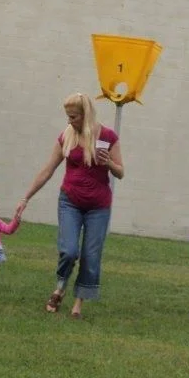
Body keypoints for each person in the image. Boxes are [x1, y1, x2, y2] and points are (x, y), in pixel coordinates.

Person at [16, 93, 124, 319]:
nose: (69, 121)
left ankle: (78, 303)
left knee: (90, 256)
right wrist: (26, 198)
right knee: (69, 250)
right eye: (68, 116)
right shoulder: (67, 136)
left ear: (86, 115)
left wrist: (108, 163)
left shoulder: (107, 136)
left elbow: (120, 172)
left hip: (98, 206)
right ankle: (60, 287)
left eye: (73, 116)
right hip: (70, 202)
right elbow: (48, 170)